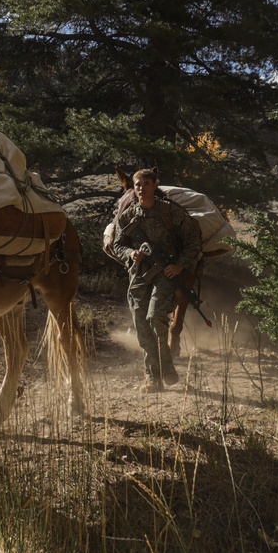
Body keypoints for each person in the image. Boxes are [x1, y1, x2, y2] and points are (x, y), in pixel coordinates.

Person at [112, 168, 201, 392]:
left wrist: (180, 264)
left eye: (146, 183)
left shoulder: (171, 212)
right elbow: (118, 244)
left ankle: (164, 368)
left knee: (155, 318)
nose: (141, 188)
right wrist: (130, 254)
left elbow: (193, 240)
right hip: (140, 276)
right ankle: (153, 376)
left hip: (166, 276)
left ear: (155, 185)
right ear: (134, 188)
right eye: (138, 184)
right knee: (141, 324)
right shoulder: (127, 216)